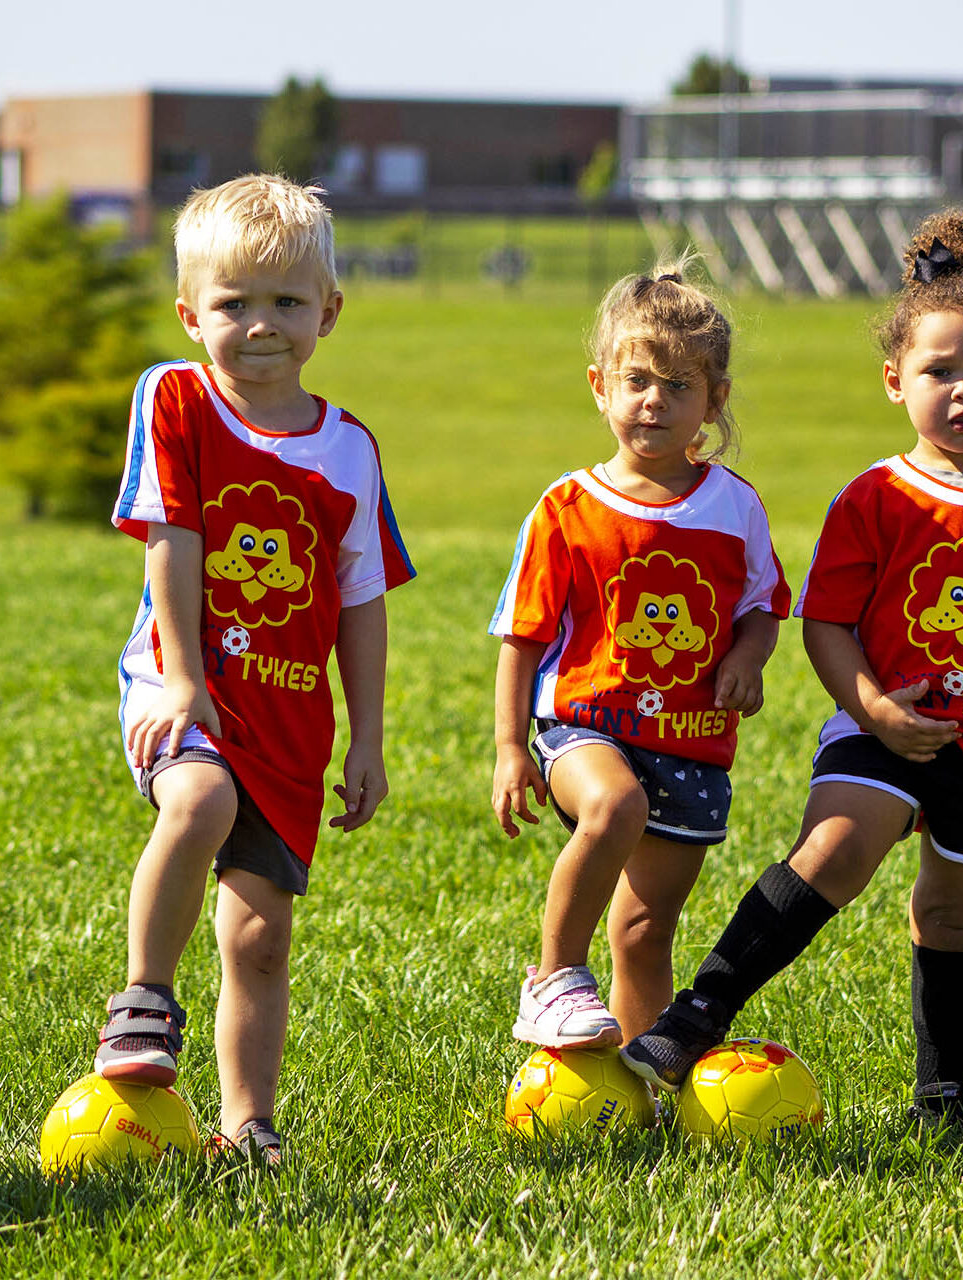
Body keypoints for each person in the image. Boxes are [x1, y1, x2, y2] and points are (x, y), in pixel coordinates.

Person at [621, 208, 963, 1131]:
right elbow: (828, 626)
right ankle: (695, 1016)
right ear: (896, 381)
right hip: (881, 727)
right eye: (940, 372)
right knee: (835, 851)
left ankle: (943, 1096)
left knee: (953, 919)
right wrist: (873, 710)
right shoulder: (876, 496)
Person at [100, 174, 414, 1165]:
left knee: (259, 937)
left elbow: (360, 602)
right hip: (181, 681)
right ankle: (143, 1001)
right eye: (233, 303)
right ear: (191, 312)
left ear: (329, 310)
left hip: (289, 720)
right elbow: (175, 540)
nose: (260, 324)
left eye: (285, 301)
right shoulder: (178, 398)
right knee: (195, 804)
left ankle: (250, 1126)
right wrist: (186, 681)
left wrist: (367, 736)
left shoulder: (350, 448)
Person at [490, 262, 791, 1049]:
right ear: (600, 386)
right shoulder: (566, 507)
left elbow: (764, 605)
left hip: (693, 746)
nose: (653, 400)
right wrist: (508, 749)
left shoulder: (734, 506)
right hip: (581, 728)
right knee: (613, 807)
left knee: (646, 928)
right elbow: (521, 637)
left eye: (678, 385)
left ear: (713, 400)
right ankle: (553, 981)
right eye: (636, 381)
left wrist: (750, 657)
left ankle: (639, 1069)